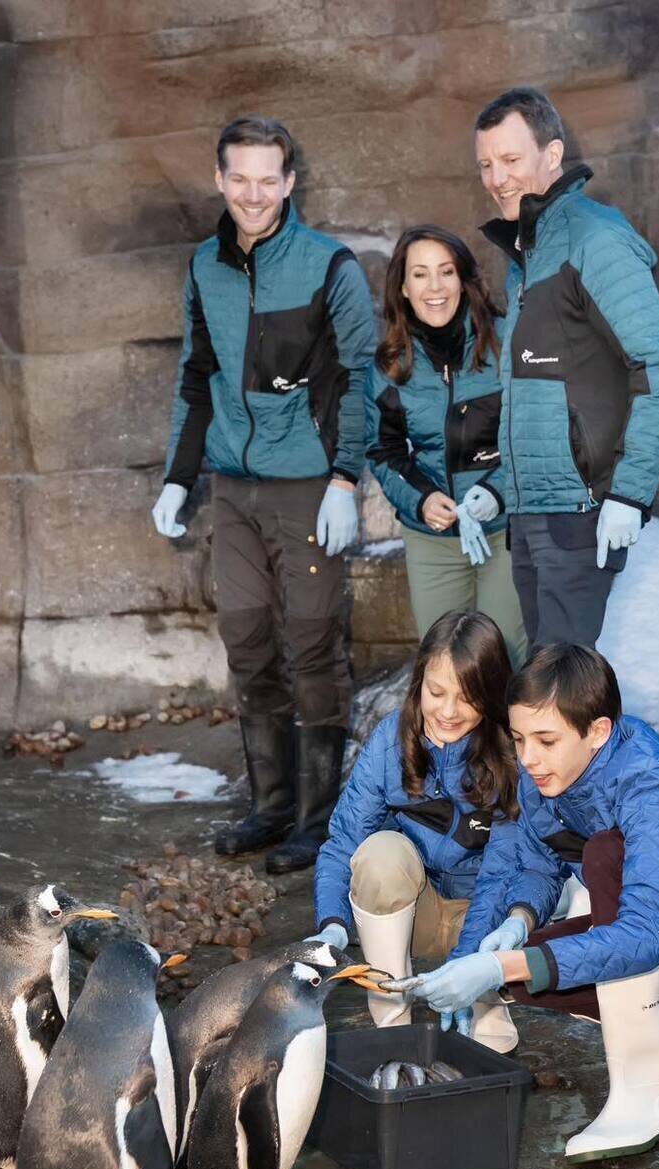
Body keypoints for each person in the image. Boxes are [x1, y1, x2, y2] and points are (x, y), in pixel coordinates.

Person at [404, 645, 659, 1160]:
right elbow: (517, 866)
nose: (528, 758)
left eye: (546, 740)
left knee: (605, 856)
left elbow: (646, 933)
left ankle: (651, 1094)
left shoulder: (649, 786)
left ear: (597, 731)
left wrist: (502, 962)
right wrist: (505, 933)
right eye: (519, 738)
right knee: (526, 977)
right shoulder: (541, 773)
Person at [151, 116, 376, 874]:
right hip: (233, 490)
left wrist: (345, 479)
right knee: (248, 644)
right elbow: (196, 374)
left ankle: (317, 821)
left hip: (307, 485)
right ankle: (270, 808)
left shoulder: (327, 266)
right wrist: (180, 476)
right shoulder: (204, 267)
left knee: (313, 644)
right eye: (238, 178)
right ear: (220, 180)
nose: (253, 193)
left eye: (267, 178)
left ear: (289, 182)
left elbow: (356, 379)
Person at [473, 87, 659, 649]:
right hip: (532, 513)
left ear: (553, 155)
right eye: (487, 165)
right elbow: (545, 394)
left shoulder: (595, 239)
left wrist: (629, 495)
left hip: (582, 511)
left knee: (559, 697)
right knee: (547, 686)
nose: (497, 178)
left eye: (511, 160)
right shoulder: (528, 256)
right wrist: (500, 488)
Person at [310, 611, 522, 1053]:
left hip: (484, 913)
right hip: (416, 910)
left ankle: (487, 996)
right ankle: (392, 1013)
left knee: (492, 1046)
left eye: (466, 698)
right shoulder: (391, 741)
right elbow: (343, 842)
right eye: (436, 692)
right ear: (419, 682)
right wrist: (331, 924)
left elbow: (507, 872)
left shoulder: (514, 750)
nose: (447, 711)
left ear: (491, 693)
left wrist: (470, 966)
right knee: (379, 853)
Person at [366, 226, 526, 669]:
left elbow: (532, 432)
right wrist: (421, 500)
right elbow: (384, 451)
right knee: (444, 668)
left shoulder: (505, 343)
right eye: (420, 274)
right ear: (403, 285)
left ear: (463, 279)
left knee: (503, 662)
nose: (434, 287)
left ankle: (507, 740)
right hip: (434, 538)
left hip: (505, 529)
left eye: (445, 272)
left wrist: (496, 493)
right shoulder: (389, 366)